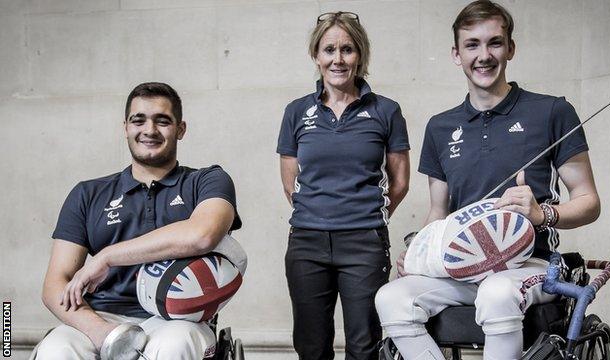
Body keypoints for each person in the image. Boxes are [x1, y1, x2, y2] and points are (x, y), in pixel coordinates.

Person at [374, 1, 600, 359]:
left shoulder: (553, 111)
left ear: (510, 48)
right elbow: (438, 212)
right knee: (391, 297)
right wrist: (420, 250)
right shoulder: (441, 126)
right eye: (472, 45)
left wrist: (543, 214)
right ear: (456, 54)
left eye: (495, 42)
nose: (484, 55)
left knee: (496, 292)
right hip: (462, 269)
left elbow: (589, 201)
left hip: (532, 265)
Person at [32, 82, 242, 360]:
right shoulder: (88, 193)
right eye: (138, 120)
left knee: (175, 344)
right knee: (56, 350)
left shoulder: (206, 181)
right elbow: (55, 285)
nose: (149, 130)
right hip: (99, 316)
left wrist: (107, 257)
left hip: (178, 318)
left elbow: (203, 235)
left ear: (181, 129)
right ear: (126, 128)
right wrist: (103, 333)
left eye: (163, 121)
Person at [277, 11, 411, 360]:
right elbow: (291, 181)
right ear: (316, 56)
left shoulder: (387, 111)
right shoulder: (296, 112)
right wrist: (319, 214)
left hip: (364, 243)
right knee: (311, 346)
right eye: (329, 50)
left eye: (348, 50)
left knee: (364, 346)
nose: (338, 59)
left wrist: (366, 216)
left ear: (360, 55)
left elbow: (400, 182)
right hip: (306, 242)